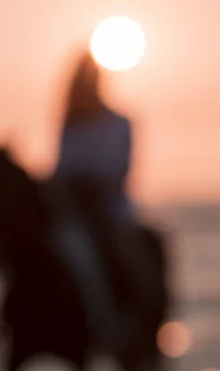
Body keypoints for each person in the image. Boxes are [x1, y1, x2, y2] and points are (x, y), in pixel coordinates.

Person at [47, 48, 148, 349]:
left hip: (109, 210)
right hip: (71, 211)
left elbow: (121, 170)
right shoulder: (70, 122)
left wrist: (90, 184)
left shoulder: (120, 122)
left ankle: (127, 320)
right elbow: (61, 166)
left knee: (122, 255)